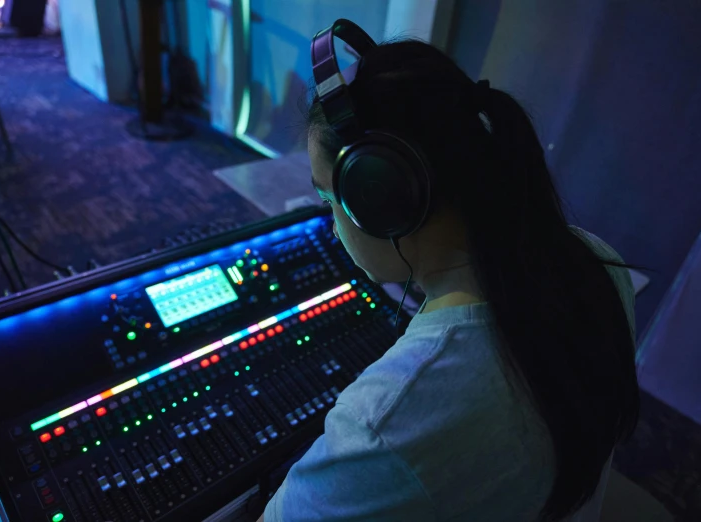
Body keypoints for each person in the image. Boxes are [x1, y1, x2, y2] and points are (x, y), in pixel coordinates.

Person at [259, 21, 639, 522]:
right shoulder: (597, 261)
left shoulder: (386, 419)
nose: (330, 223)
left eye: (330, 198)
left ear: (380, 197)